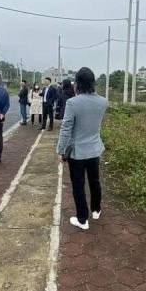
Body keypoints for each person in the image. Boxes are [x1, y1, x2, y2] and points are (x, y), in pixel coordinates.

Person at [56, 67, 108, 230]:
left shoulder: (73, 103)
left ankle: (82, 219)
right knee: (95, 181)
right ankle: (96, 209)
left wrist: (60, 150)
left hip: (77, 152)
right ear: (93, 82)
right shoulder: (103, 101)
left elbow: (66, 128)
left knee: (78, 184)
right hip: (94, 149)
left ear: (77, 83)